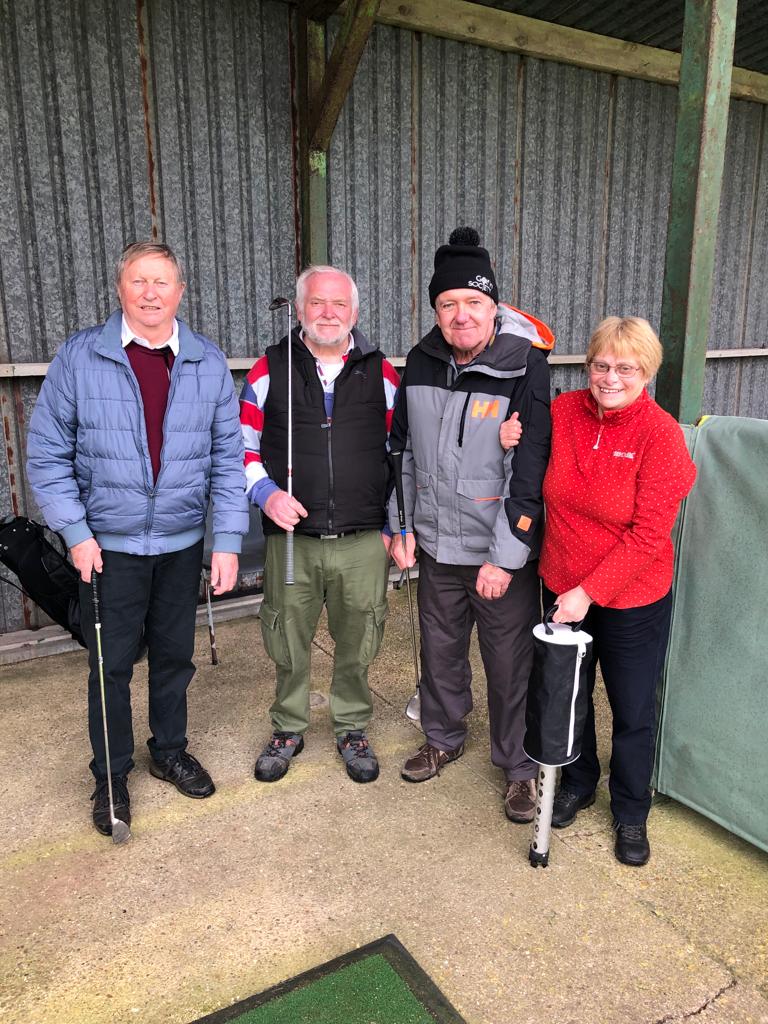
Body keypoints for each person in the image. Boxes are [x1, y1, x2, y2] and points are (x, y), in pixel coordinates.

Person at [27, 241, 248, 837]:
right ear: (120, 289)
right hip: (109, 547)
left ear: (181, 292)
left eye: (162, 282)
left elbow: (229, 461)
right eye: (139, 282)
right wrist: (75, 532)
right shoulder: (81, 357)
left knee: (175, 655)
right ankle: (112, 773)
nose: (150, 294)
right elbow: (47, 458)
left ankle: (169, 749)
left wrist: (225, 539)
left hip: (179, 544)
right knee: (111, 664)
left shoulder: (205, 361)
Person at [518, 316, 696, 865]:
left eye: (626, 367)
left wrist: (588, 593)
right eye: (601, 365)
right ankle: (579, 781)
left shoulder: (661, 434)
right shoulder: (566, 410)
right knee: (569, 697)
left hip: (632, 599)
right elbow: (527, 461)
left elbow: (648, 534)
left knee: (632, 708)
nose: (610, 377)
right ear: (588, 365)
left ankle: (631, 810)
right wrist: (510, 437)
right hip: (560, 581)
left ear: (646, 372)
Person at [390, 227, 552, 824]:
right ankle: (443, 737)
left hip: (494, 551)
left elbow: (531, 466)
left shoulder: (525, 367)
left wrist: (506, 557)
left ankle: (517, 767)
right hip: (435, 544)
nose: (461, 316)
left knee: (509, 663)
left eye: (473, 303)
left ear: (494, 307)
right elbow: (400, 452)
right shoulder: (422, 361)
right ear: (436, 310)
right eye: (447, 304)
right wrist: (401, 526)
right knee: (440, 652)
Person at [240, 265, 400, 784]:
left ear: (354, 312)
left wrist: (397, 525)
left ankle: (351, 724)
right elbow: (239, 447)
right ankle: (288, 724)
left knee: (360, 639)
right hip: (293, 540)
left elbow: (403, 456)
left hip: (362, 539)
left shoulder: (383, 374)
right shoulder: (269, 370)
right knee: (287, 636)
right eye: (316, 303)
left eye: (338, 305)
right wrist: (265, 494)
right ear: (301, 309)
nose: (328, 313)